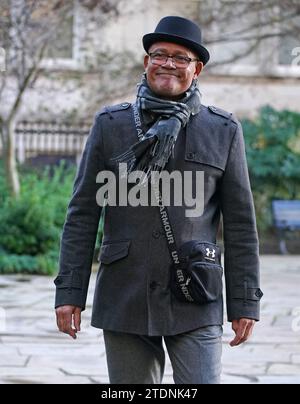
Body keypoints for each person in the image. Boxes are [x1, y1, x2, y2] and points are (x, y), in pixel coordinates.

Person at [55, 16, 263, 384]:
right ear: (146, 62)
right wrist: (69, 291)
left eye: (180, 57)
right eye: (159, 54)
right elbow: (83, 214)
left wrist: (245, 301)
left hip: (195, 295)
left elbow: (241, 225)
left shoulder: (223, 130)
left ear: (196, 69)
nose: (168, 63)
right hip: (125, 294)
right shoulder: (111, 124)